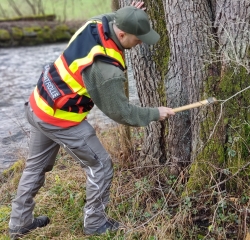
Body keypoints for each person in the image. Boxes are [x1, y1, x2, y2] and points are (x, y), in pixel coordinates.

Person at [8, 1, 175, 239]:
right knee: (100, 165)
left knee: (36, 166)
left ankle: (19, 223)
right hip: (60, 118)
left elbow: (111, 16)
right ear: (121, 33)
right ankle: (95, 223)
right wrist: (154, 114)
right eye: (138, 38)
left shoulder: (95, 23)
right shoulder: (105, 70)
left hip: (39, 103)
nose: (140, 43)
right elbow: (121, 113)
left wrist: (132, 14)